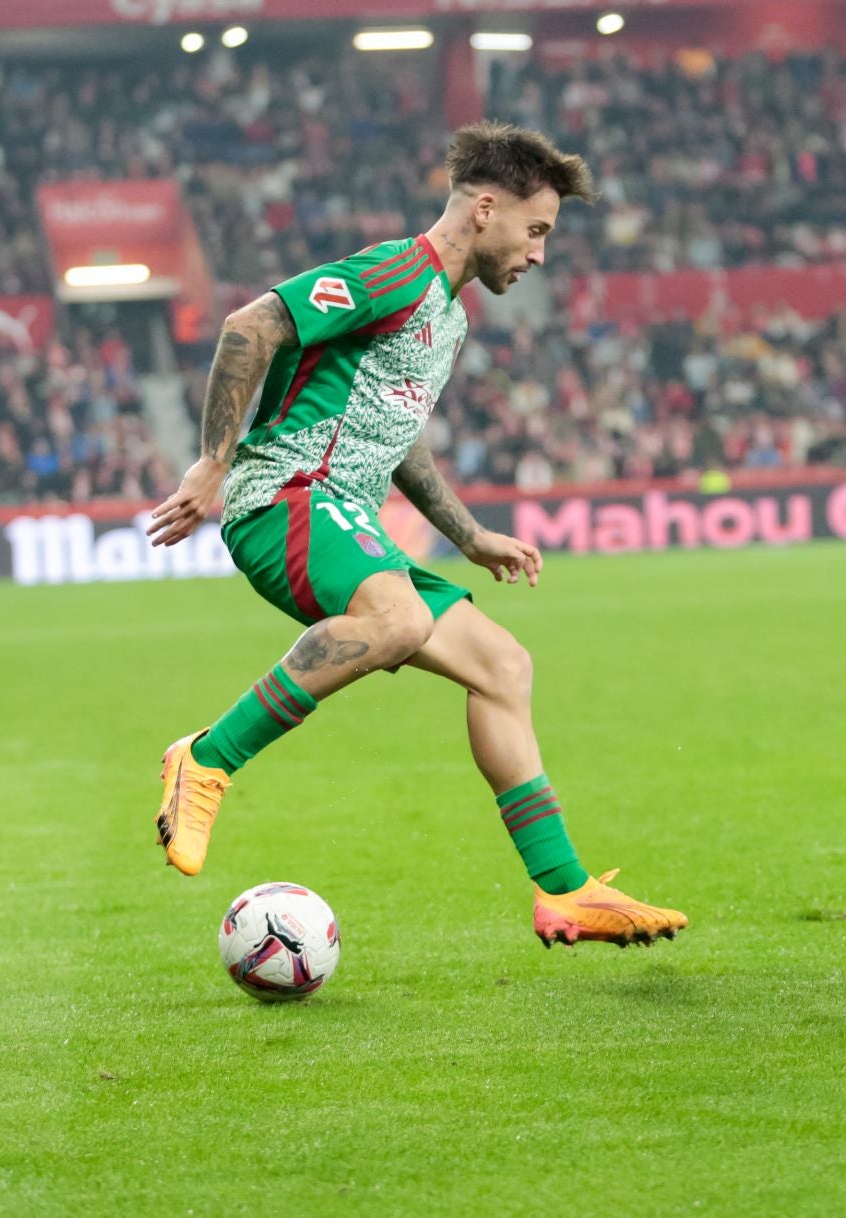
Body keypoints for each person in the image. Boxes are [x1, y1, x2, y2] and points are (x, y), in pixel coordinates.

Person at [145, 122, 686, 949]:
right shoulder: (397, 272)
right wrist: (213, 464)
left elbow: (397, 435)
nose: (540, 253)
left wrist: (467, 536)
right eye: (536, 230)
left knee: (503, 667)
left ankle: (565, 891)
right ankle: (207, 758)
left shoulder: (449, 318)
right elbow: (249, 327)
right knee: (397, 620)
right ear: (484, 208)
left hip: (347, 516)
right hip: (287, 494)